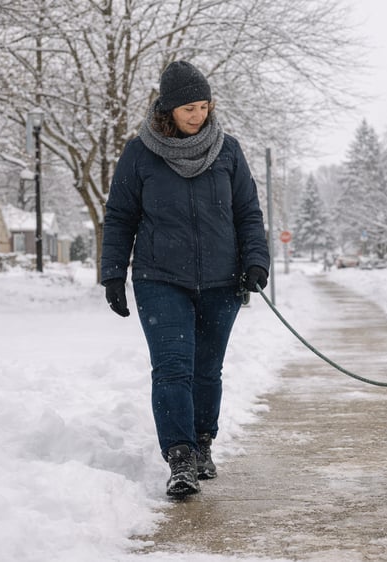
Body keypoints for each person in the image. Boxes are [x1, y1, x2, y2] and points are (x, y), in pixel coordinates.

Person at [101, 60, 270, 497]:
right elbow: (121, 217)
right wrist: (113, 274)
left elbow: (248, 213)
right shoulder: (140, 153)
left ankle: (202, 444)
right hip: (161, 279)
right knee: (173, 368)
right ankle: (179, 457)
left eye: (204, 106)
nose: (198, 115)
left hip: (221, 280)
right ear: (168, 109)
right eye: (188, 108)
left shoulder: (228, 150)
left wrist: (256, 261)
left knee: (206, 371)